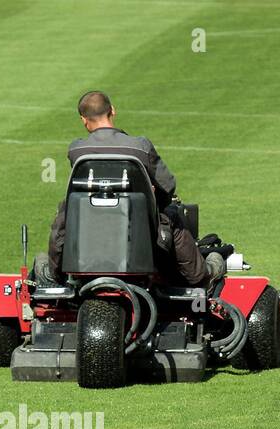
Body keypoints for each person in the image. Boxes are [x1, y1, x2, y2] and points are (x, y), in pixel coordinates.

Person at [36, 91, 224, 287]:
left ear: (84, 120)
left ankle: (55, 274)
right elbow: (168, 187)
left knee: (66, 209)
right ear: (113, 111)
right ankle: (199, 275)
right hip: (138, 225)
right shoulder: (140, 146)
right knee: (172, 213)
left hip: (90, 222)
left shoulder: (77, 150)